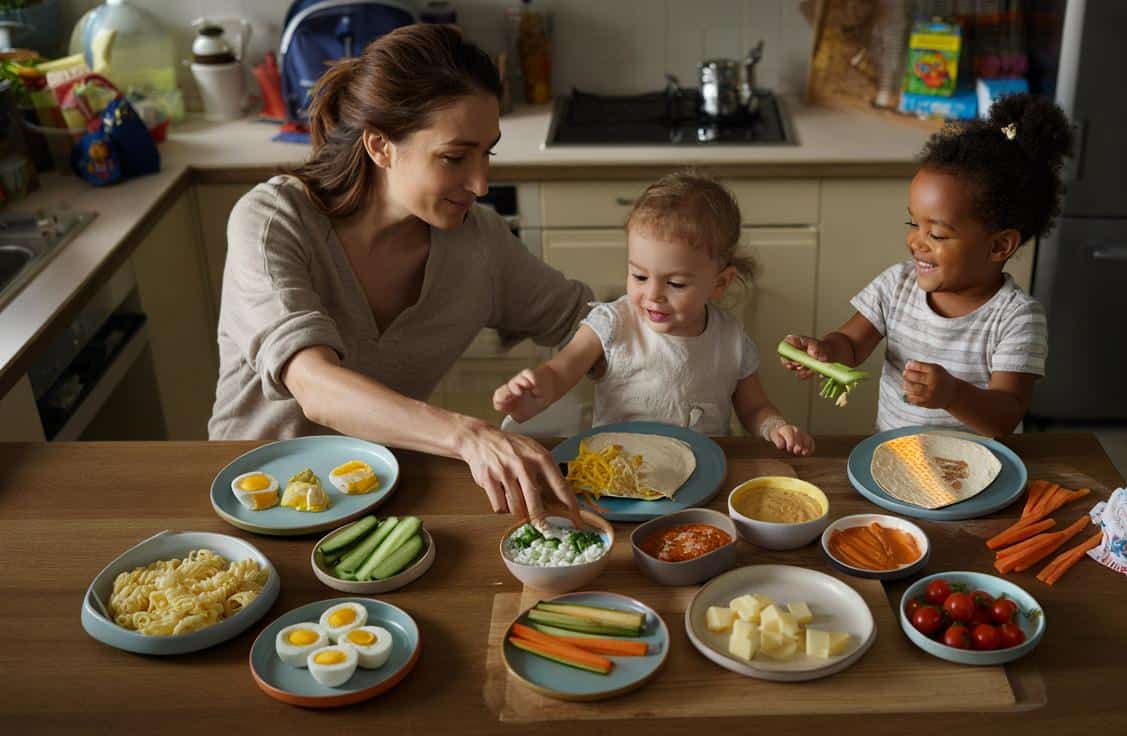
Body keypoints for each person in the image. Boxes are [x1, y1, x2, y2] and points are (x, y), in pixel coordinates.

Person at [209, 24, 590, 522]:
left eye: (487, 153)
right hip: (253, 506)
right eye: (455, 157)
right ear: (380, 147)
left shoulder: (479, 243)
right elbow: (314, 385)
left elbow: (591, 321)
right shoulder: (273, 220)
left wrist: (563, 369)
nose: (480, 183)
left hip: (383, 502)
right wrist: (466, 435)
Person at [782, 95, 1074, 438]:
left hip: (976, 465)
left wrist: (953, 395)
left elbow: (1004, 417)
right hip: (895, 455)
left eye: (936, 234)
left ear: (998, 246)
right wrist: (825, 351)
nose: (916, 242)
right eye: (913, 225)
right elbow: (851, 342)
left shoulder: (1017, 318)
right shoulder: (896, 285)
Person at [492, 172, 814, 455]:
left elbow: (754, 408)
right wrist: (535, 391)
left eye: (675, 283)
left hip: (702, 477)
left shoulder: (731, 340)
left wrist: (775, 427)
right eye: (639, 276)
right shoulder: (613, 324)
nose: (653, 295)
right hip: (618, 475)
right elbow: (561, 371)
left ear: (719, 283)